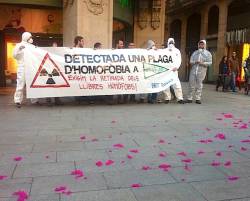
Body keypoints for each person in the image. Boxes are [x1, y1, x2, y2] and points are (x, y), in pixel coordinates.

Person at [13, 32, 39, 108]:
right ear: (26, 37)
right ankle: (17, 100)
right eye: (30, 37)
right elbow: (14, 55)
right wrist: (19, 50)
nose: (31, 39)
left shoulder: (32, 46)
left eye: (31, 37)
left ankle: (34, 100)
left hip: (30, 67)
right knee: (20, 84)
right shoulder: (18, 45)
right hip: (22, 67)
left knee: (32, 84)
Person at [185, 40, 212, 104]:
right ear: (198, 45)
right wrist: (195, 62)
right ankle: (189, 98)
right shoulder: (195, 53)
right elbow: (191, 61)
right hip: (193, 71)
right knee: (191, 84)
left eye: (202, 44)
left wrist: (202, 63)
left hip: (202, 71)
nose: (201, 46)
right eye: (200, 44)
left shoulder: (208, 53)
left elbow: (210, 63)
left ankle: (198, 98)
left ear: (204, 45)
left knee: (199, 85)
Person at [163, 38, 185, 104]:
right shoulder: (164, 51)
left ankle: (180, 98)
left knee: (177, 84)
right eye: (170, 42)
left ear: (174, 43)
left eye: (172, 42)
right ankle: (167, 98)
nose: (171, 44)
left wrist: (177, 67)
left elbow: (179, 60)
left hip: (174, 71)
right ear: (168, 43)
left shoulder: (177, 51)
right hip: (166, 71)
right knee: (166, 85)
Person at [46, 41, 63, 106]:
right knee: (49, 85)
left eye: (56, 46)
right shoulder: (47, 53)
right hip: (49, 70)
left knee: (57, 85)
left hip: (55, 70)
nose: (55, 47)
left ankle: (57, 99)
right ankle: (48, 99)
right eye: (54, 46)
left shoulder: (57, 53)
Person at [146, 40, 158, 104]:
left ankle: (153, 98)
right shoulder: (146, 51)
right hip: (149, 71)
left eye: (154, 45)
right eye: (152, 45)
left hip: (155, 71)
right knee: (149, 85)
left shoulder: (156, 51)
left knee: (155, 85)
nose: (153, 46)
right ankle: (149, 98)